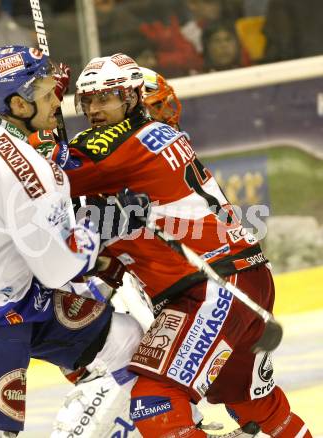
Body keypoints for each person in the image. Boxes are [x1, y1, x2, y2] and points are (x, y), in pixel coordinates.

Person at [48, 54, 311, 437]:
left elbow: (47, 176)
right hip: (240, 278)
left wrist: (44, 121)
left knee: (156, 402)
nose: (94, 109)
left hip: (209, 287)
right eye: (87, 101)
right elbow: (116, 231)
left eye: (106, 98)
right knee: (256, 407)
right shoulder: (154, 140)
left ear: (133, 98)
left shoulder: (119, 144)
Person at [0, 45, 148, 437]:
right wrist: (102, 224)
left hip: (12, 296)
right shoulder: (38, 178)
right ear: (18, 105)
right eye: (48, 95)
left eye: (55, 89)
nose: (59, 101)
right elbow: (59, 267)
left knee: (127, 340)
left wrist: (29, 120)